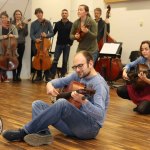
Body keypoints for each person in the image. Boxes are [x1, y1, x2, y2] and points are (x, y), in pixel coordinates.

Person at [2, 51, 109, 147]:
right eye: (75, 67)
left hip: (89, 129)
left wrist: (83, 101)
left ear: (90, 63)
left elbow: (100, 115)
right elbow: (59, 81)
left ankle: (24, 132)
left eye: (80, 66)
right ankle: (44, 134)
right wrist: (49, 84)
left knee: (62, 103)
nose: (77, 70)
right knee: (37, 104)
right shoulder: (79, 75)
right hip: (71, 125)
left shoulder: (99, 84)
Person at [117, 40, 150, 114]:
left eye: (146, 49)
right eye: (142, 49)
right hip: (141, 87)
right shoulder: (142, 59)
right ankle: (141, 103)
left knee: (141, 110)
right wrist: (124, 71)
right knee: (120, 90)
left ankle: (144, 104)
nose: (144, 51)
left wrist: (145, 79)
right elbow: (129, 65)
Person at [30, 8, 54, 82]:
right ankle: (39, 76)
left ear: (42, 13)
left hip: (45, 43)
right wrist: (35, 39)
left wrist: (46, 35)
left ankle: (47, 76)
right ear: (36, 14)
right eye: (37, 13)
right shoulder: (33, 24)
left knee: (45, 59)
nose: (39, 14)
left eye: (40, 13)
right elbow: (31, 35)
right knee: (38, 59)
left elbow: (52, 33)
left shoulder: (47, 22)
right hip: (36, 43)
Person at [49, 9, 73, 79]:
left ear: (68, 14)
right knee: (55, 59)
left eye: (65, 13)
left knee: (65, 61)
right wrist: (47, 35)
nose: (64, 14)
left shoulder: (71, 24)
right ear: (61, 14)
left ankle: (63, 75)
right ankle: (52, 74)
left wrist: (70, 43)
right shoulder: (57, 24)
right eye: (63, 13)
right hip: (59, 44)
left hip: (67, 45)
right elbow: (53, 33)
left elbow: (73, 35)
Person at [0, 11, 18, 82]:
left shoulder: (12, 26)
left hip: (10, 48)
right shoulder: (0, 27)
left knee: (5, 62)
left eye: (5, 17)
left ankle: (4, 77)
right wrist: (3, 36)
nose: (4, 19)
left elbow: (17, 36)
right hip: (1, 48)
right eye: (2, 18)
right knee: (1, 62)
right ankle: (1, 77)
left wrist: (12, 35)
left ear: (7, 18)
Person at [12, 10, 29, 82]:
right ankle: (14, 75)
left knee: (19, 59)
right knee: (13, 59)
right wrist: (17, 27)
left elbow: (26, 34)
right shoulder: (11, 23)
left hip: (21, 43)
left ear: (21, 16)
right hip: (13, 43)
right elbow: (11, 32)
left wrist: (22, 27)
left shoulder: (24, 23)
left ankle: (18, 75)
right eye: (16, 14)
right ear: (14, 15)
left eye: (19, 14)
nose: (18, 15)